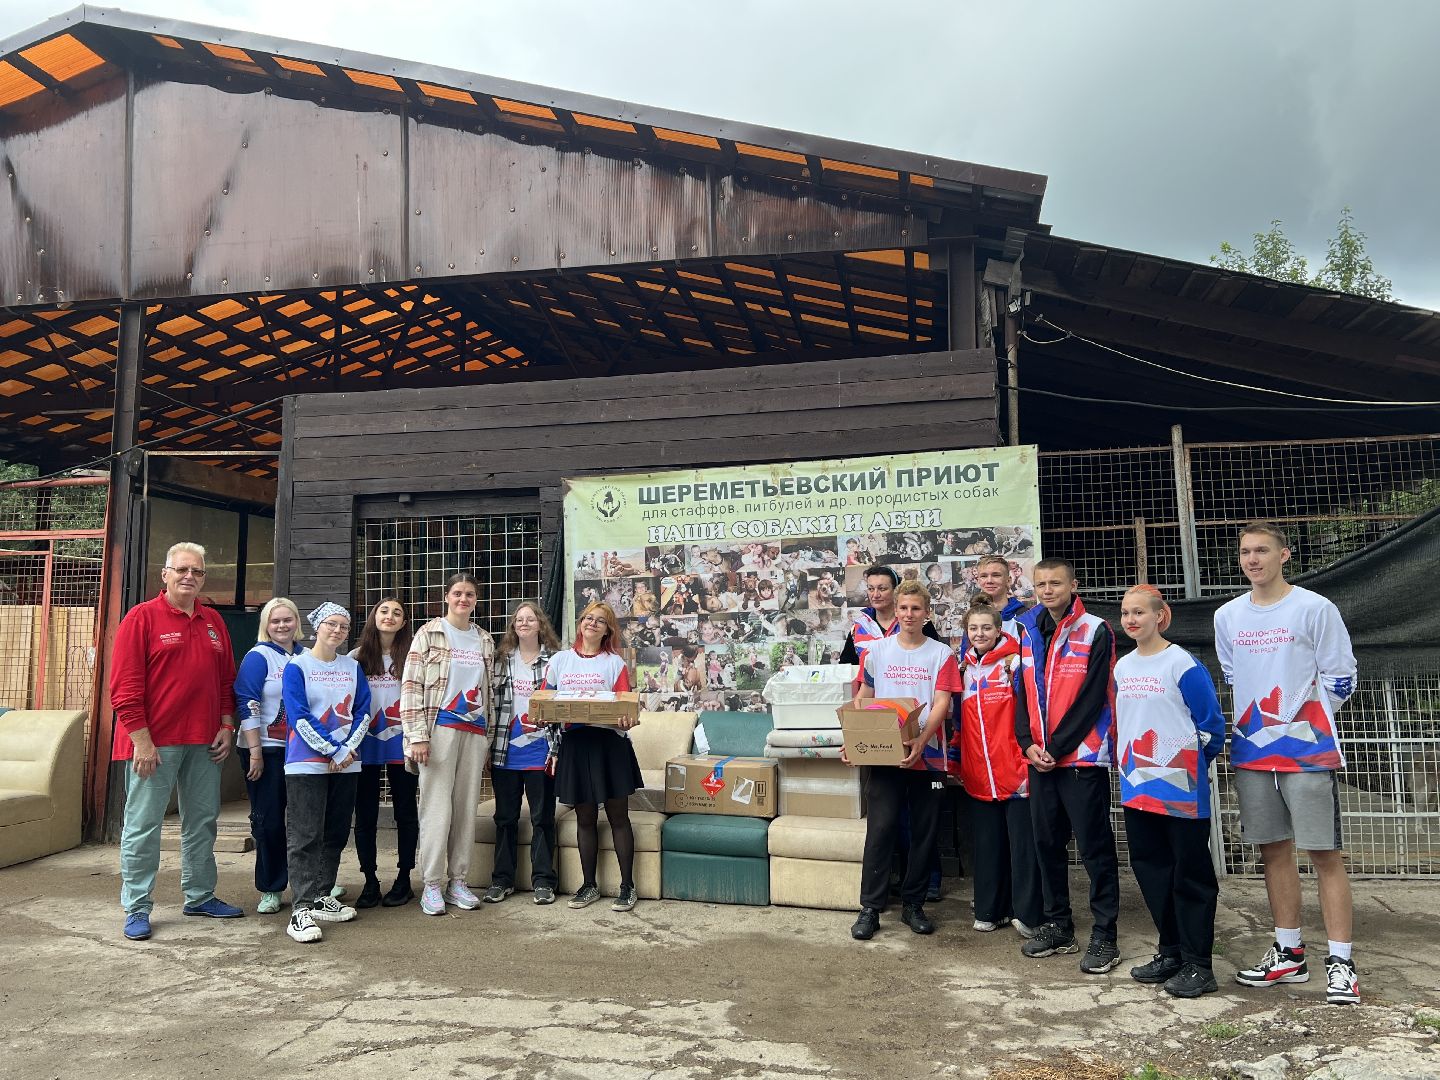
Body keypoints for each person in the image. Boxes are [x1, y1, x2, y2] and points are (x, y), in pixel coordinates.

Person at [1215, 522, 1360, 1005]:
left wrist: (1302, 722)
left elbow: (1342, 674)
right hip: (1253, 753)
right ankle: (1289, 954)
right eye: (1245, 552)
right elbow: (1234, 673)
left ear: (1285, 556)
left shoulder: (1315, 608)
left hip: (1307, 752)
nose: (1252, 559)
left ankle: (1341, 963)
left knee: (1324, 854)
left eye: (1262, 550)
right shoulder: (1227, 616)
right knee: (1273, 852)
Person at [111, 541, 243, 941]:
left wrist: (226, 726)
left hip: (205, 742)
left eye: (197, 571)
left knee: (202, 822)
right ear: (165, 574)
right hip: (155, 744)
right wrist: (141, 741)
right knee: (143, 825)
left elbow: (226, 680)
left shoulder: (212, 621)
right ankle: (137, 907)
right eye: (182, 570)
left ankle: (200, 896)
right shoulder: (141, 618)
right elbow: (124, 688)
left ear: (203, 578)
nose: (190, 577)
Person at [1013, 557, 1121, 975]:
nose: (1047, 590)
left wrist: (1055, 747)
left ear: (1073, 585)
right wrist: (1027, 744)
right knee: (1047, 845)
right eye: (1041, 584)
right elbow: (1022, 692)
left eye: (1055, 583)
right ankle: (1058, 924)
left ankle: (1105, 933)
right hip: (1039, 760)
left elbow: (1093, 697)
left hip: (1080, 759)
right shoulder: (1027, 630)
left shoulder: (1095, 629)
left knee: (1095, 848)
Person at [1117, 585, 1225, 998]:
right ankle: (1171, 952)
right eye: (1126, 613)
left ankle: (1200, 964)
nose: (1131, 620)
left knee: (1190, 875)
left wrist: (1188, 767)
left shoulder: (1181, 663)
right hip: (1137, 786)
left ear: (1160, 616)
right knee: (1151, 870)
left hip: (1180, 788)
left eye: (1139, 612)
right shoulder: (1122, 667)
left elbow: (1211, 726)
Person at [847, 581, 961, 941]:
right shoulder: (876, 652)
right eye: (904, 608)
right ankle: (870, 908)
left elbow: (942, 703)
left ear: (926, 613)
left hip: (928, 756)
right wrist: (854, 740)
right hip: (884, 755)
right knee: (880, 830)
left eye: (916, 608)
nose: (909, 614)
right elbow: (865, 697)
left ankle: (914, 905)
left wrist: (921, 741)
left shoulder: (941, 654)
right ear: (895, 612)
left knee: (924, 834)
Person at [400, 572, 496, 917]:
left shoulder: (484, 639)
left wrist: (488, 739)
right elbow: (411, 686)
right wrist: (417, 735)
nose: (463, 599)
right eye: (457, 593)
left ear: (476, 600)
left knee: (466, 808)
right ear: (446, 597)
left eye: (469, 594)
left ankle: (458, 881)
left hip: (475, 731)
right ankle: (431, 884)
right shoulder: (429, 633)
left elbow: (488, 691)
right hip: (438, 730)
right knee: (436, 809)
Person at [280, 601, 371, 944]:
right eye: (331, 624)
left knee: (335, 832)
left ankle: (321, 895)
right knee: (305, 835)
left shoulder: (353, 667)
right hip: (306, 762)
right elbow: (298, 715)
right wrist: (333, 750)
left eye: (343, 626)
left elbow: (363, 711)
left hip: (347, 763)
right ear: (316, 627)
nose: (337, 630)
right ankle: (300, 909)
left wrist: (346, 750)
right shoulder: (297, 666)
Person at [546, 601, 643, 912]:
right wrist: (541, 715)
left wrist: (627, 719)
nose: (592, 623)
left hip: (609, 744)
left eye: (600, 621)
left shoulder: (614, 664)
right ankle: (589, 885)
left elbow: (625, 708)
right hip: (575, 744)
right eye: (588, 618)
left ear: (607, 630)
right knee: (585, 818)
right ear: (580, 623)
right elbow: (544, 700)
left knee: (618, 817)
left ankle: (627, 887)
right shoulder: (560, 661)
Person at [954, 597, 1041, 939]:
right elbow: (959, 723)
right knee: (988, 845)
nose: (980, 634)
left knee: (1023, 847)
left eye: (986, 628)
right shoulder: (963, 669)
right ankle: (991, 909)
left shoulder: (1014, 663)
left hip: (1015, 770)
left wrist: (1026, 755)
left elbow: (1032, 712)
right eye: (973, 628)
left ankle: (1029, 914)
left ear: (999, 629)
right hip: (979, 773)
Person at [485, 600, 563, 905]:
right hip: (505, 752)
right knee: (505, 818)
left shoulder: (555, 660)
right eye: (519, 619)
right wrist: (486, 747)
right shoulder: (501, 660)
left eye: (530, 619)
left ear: (540, 624)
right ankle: (501, 880)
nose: (524, 623)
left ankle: (543, 881)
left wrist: (557, 748)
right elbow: (490, 705)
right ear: (513, 626)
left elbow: (561, 707)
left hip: (541, 752)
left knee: (542, 818)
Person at [233, 597, 305, 914]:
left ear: (296, 622)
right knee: (270, 819)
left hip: (302, 750)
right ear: (266, 624)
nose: (282, 625)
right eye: (275, 620)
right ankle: (271, 887)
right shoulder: (258, 656)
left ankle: (314, 882)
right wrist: (255, 752)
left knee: (306, 820)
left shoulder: (306, 656)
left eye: (287, 619)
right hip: (264, 749)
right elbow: (247, 701)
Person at [349, 597, 419, 909]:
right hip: (364, 746)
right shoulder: (355, 658)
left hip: (403, 745)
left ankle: (404, 879)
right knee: (365, 815)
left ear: (404, 623)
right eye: (384, 611)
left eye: (397, 613)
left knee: (405, 812)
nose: (389, 616)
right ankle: (370, 880)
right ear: (373, 617)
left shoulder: (414, 657)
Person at [974, 555, 1029, 635]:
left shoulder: (1025, 616)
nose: (989, 581)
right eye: (984, 576)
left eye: (996, 575)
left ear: (1008, 581)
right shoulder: (973, 616)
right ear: (978, 581)